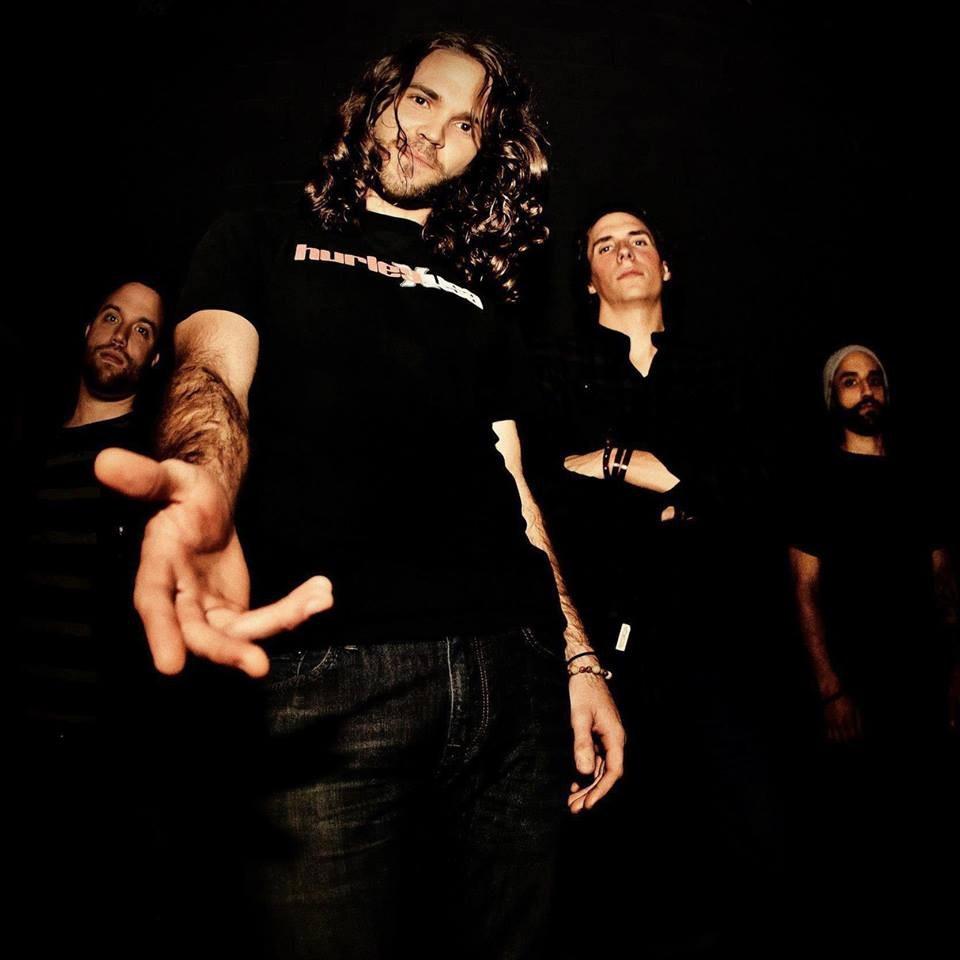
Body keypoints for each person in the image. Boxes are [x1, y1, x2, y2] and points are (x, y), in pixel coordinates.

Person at [94, 33, 624, 959]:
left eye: (468, 126)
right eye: (423, 99)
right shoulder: (257, 234)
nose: (436, 133)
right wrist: (203, 482)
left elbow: (517, 486)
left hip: (514, 677)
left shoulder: (479, 297)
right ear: (379, 100)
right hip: (329, 684)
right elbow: (212, 375)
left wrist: (579, 661)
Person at [535, 205, 784, 958]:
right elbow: (543, 491)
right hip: (609, 652)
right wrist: (671, 483)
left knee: (746, 856)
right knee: (616, 872)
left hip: (721, 643)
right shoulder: (555, 370)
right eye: (605, 245)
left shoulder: (721, 370)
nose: (626, 251)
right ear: (588, 279)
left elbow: (758, 492)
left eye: (639, 239)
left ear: (665, 266)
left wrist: (624, 466)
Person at [14, 279, 169, 957]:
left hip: (110, 769)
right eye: (112, 317)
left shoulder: (157, 466)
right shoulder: (28, 449)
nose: (121, 335)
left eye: (142, 330)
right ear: (87, 329)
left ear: (154, 360)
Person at [787, 344, 960, 954]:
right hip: (855, 688)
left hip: (922, 682)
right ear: (831, 397)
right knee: (859, 842)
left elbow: (944, 581)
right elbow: (803, 590)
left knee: (928, 836)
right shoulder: (817, 480)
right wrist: (830, 689)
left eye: (875, 379)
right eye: (850, 381)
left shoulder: (920, 476)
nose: (866, 391)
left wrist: (954, 676)